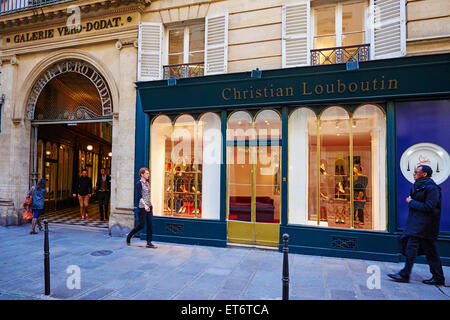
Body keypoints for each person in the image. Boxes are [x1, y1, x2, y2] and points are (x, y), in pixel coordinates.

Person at [388, 165, 445, 285]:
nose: (414, 174)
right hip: (417, 222)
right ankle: (438, 277)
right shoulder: (418, 185)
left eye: (416, 172)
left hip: (425, 224)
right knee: (430, 251)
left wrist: (411, 202)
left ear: (424, 174)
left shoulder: (432, 189)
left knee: (412, 247)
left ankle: (405, 274)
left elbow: (429, 207)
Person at [126, 167, 157, 248]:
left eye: (148, 173)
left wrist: (149, 204)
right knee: (141, 225)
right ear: (142, 174)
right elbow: (140, 196)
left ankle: (149, 242)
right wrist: (145, 205)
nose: (148, 175)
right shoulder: (139, 184)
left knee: (150, 224)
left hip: (149, 206)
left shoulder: (147, 183)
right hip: (142, 207)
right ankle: (129, 235)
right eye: (147, 173)